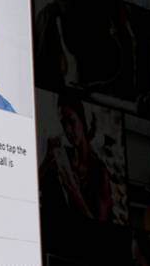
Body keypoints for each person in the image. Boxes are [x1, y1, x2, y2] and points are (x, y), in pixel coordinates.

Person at [39, 93, 112, 222]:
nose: (67, 130)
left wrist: (75, 193)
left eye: (71, 121)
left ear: (82, 120)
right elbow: (33, 187)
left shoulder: (100, 172)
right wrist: (46, 159)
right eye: (63, 123)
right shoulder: (64, 156)